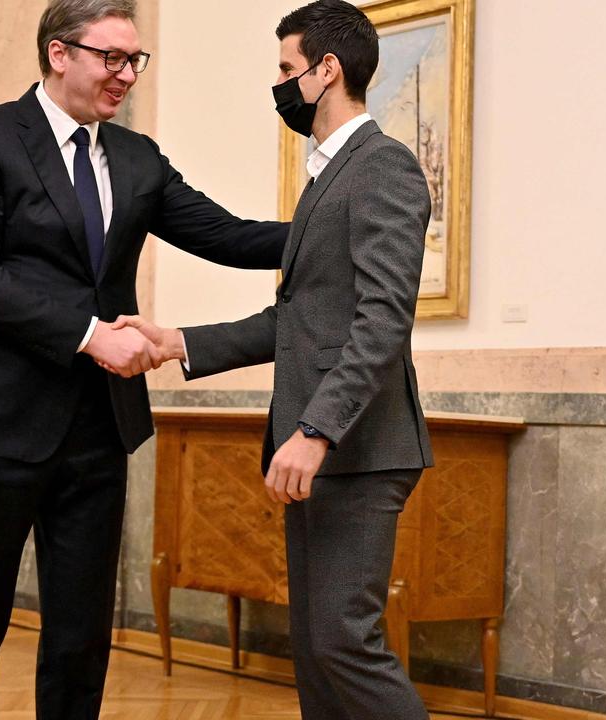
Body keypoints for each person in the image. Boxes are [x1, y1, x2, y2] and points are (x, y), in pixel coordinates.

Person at [0, 0, 289, 717]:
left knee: (81, 638)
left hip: (96, 431)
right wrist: (92, 334)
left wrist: (336, 217)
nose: (126, 76)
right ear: (60, 54)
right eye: (111, 58)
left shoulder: (137, 157)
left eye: (135, 61)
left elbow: (231, 236)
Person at [112, 2, 434, 718]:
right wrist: (179, 342)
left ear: (328, 70)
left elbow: (382, 321)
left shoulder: (383, 167)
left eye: (287, 69)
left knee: (346, 645)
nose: (281, 84)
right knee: (319, 650)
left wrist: (316, 431)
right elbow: (298, 321)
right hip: (327, 449)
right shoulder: (329, 176)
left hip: (358, 449)